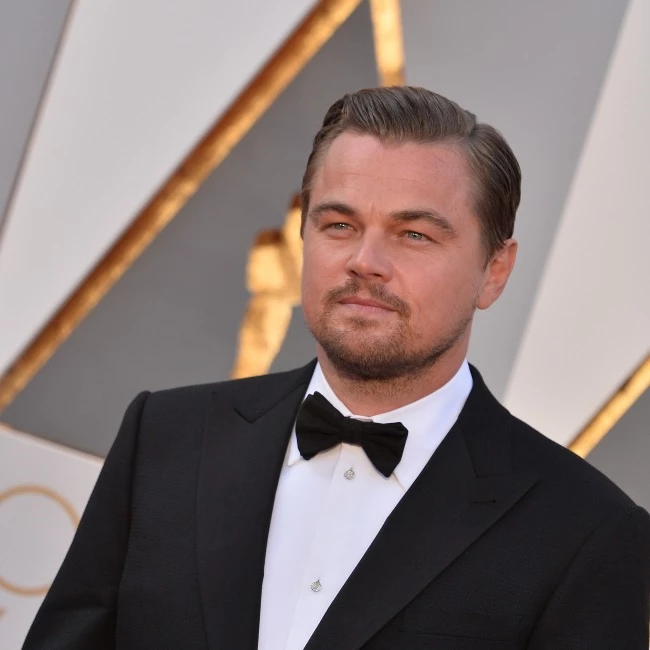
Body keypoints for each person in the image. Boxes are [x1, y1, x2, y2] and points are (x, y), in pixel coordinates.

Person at [23, 87, 650, 650]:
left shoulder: (588, 536)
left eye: (414, 235)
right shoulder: (164, 438)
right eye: (340, 224)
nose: (365, 261)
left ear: (495, 269)